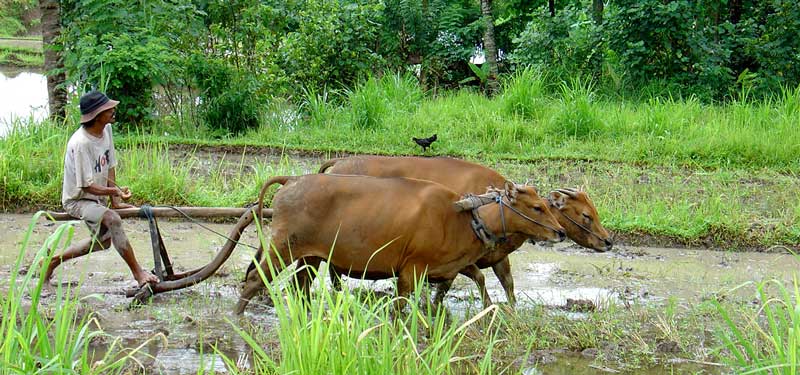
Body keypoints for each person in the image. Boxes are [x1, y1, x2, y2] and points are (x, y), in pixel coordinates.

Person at [41, 91, 158, 287]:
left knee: (102, 243)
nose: (113, 111)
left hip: (97, 198)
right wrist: (114, 193)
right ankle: (138, 273)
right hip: (78, 200)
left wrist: (115, 201)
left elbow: (110, 164)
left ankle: (53, 261)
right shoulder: (81, 143)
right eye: (108, 109)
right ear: (96, 115)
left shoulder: (107, 131)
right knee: (113, 219)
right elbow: (86, 186)